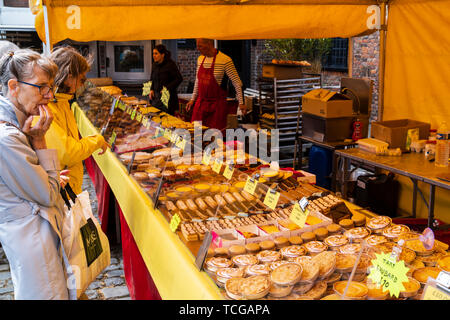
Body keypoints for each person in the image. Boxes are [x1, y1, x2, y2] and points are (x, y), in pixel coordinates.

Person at [0, 49, 75, 299]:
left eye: (50, 87)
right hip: (32, 239)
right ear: (14, 86)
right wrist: (40, 142)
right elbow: (48, 194)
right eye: (41, 87)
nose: (49, 96)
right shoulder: (8, 138)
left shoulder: (14, 125)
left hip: (31, 234)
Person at [46, 46, 110, 195]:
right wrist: (97, 140)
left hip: (68, 185)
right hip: (61, 188)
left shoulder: (61, 101)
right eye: (82, 79)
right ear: (69, 77)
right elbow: (68, 152)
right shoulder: (48, 107)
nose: (82, 84)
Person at [186, 38, 247, 133]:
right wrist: (192, 99)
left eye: (200, 46)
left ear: (209, 44)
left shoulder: (225, 60)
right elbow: (198, 81)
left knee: (215, 137)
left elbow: (237, 82)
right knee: (196, 134)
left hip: (217, 107)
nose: (198, 48)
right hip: (201, 104)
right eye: (197, 45)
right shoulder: (200, 59)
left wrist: (241, 103)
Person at [149, 44, 183, 115]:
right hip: (156, 98)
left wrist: (167, 88)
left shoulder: (170, 65)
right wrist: (151, 89)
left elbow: (179, 79)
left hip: (168, 99)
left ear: (162, 55)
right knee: (155, 120)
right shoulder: (154, 65)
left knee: (167, 121)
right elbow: (152, 78)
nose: (154, 55)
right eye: (153, 53)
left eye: (156, 53)